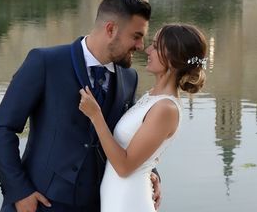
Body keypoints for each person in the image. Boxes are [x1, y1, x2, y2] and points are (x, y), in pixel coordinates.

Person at [0, 0, 160, 212]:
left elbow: (129, 136)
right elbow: (3, 127)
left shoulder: (129, 78)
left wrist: (151, 172)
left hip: (99, 203)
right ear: (111, 29)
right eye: (136, 36)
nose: (140, 46)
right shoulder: (45, 63)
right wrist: (19, 190)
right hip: (40, 203)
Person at [78, 23, 207, 212]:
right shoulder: (152, 96)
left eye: (155, 46)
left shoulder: (166, 108)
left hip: (129, 200)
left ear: (171, 58)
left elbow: (124, 166)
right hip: (118, 195)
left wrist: (96, 116)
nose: (147, 50)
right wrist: (152, 172)